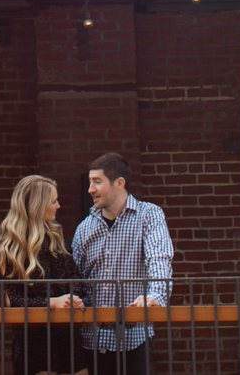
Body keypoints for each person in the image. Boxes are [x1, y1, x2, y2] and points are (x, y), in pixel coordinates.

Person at [69, 152, 173, 375]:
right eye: (90, 182)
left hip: (133, 338)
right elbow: (75, 280)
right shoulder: (84, 228)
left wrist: (155, 296)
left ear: (119, 183)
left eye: (97, 182)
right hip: (90, 340)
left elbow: (159, 257)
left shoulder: (149, 215)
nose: (90, 189)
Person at [0, 174, 86, 375]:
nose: (58, 206)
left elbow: (75, 280)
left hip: (67, 337)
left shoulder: (57, 240)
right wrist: (52, 302)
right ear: (37, 205)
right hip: (34, 341)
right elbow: (13, 302)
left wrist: (73, 298)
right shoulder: (10, 248)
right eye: (53, 201)